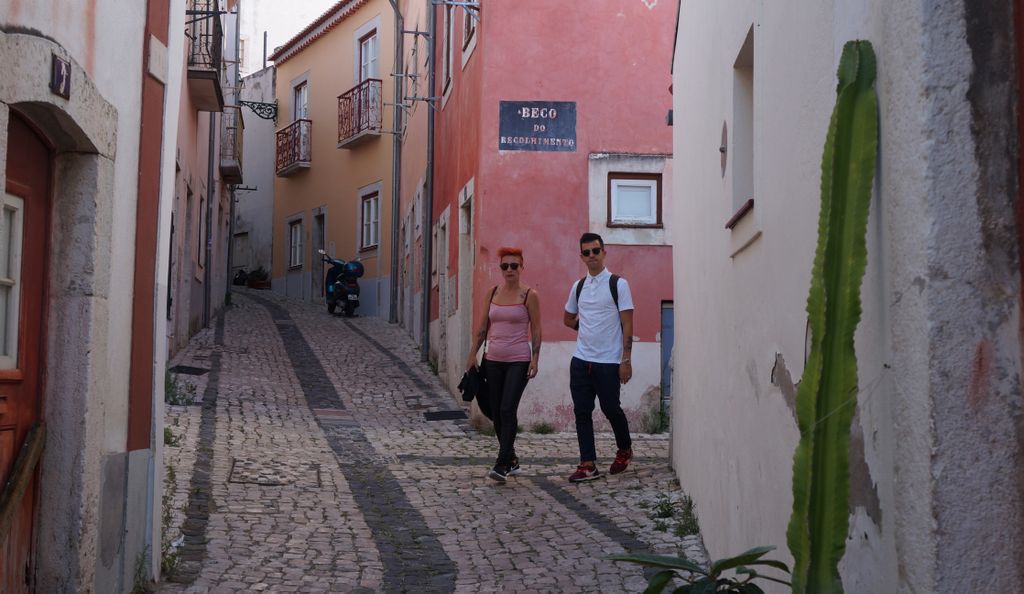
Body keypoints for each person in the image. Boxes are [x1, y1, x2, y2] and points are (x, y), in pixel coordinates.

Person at [562, 232, 634, 483]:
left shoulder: (618, 284)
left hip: (609, 361)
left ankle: (625, 449)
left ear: (604, 252)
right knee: (582, 412)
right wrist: (585, 328)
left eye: (595, 251)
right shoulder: (578, 286)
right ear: (581, 256)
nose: (591, 256)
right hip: (581, 360)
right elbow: (568, 318)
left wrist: (626, 360)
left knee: (610, 408)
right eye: (586, 252)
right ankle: (588, 464)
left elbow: (628, 323)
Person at [466, 247, 542, 483]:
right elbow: (482, 328)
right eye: (504, 266)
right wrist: (472, 355)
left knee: (508, 409)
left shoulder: (530, 295)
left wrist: (535, 358)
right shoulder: (492, 292)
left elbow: (537, 330)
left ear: (522, 267)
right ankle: (511, 458)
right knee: (496, 411)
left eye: (514, 266)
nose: (509, 270)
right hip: (492, 360)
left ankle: (501, 464)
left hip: (518, 360)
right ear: (500, 268)